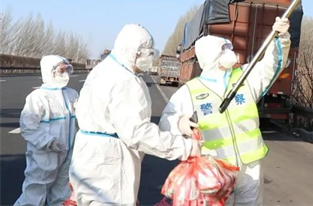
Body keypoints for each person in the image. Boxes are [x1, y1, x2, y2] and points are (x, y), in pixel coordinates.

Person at [159, 17, 291, 206]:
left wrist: (281, 38)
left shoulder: (244, 77)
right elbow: (166, 120)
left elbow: (271, 65)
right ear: (211, 56)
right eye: (224, 50)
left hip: (250, 166)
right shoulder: (191, 90)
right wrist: (180, 122)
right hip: (216, 169)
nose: (230, 53)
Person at [69, 23, 202, 206]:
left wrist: (177, 123)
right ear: (134, 53)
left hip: (88, 159)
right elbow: (137, 132)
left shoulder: (103, 70)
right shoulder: (125, 80)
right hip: (110, 164)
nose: (149, 59)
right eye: (147, 54)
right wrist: (184, 147)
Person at [15, 55, 78, 206]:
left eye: (67, 69)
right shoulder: (38, 97)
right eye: (61, 70)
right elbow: (28, 127)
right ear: (51, 72)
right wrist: (48, 142)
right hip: (45, 155)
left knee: (62, 192)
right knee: (35, 191)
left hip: (68, 153)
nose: (65, 74)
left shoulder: (72, 94)